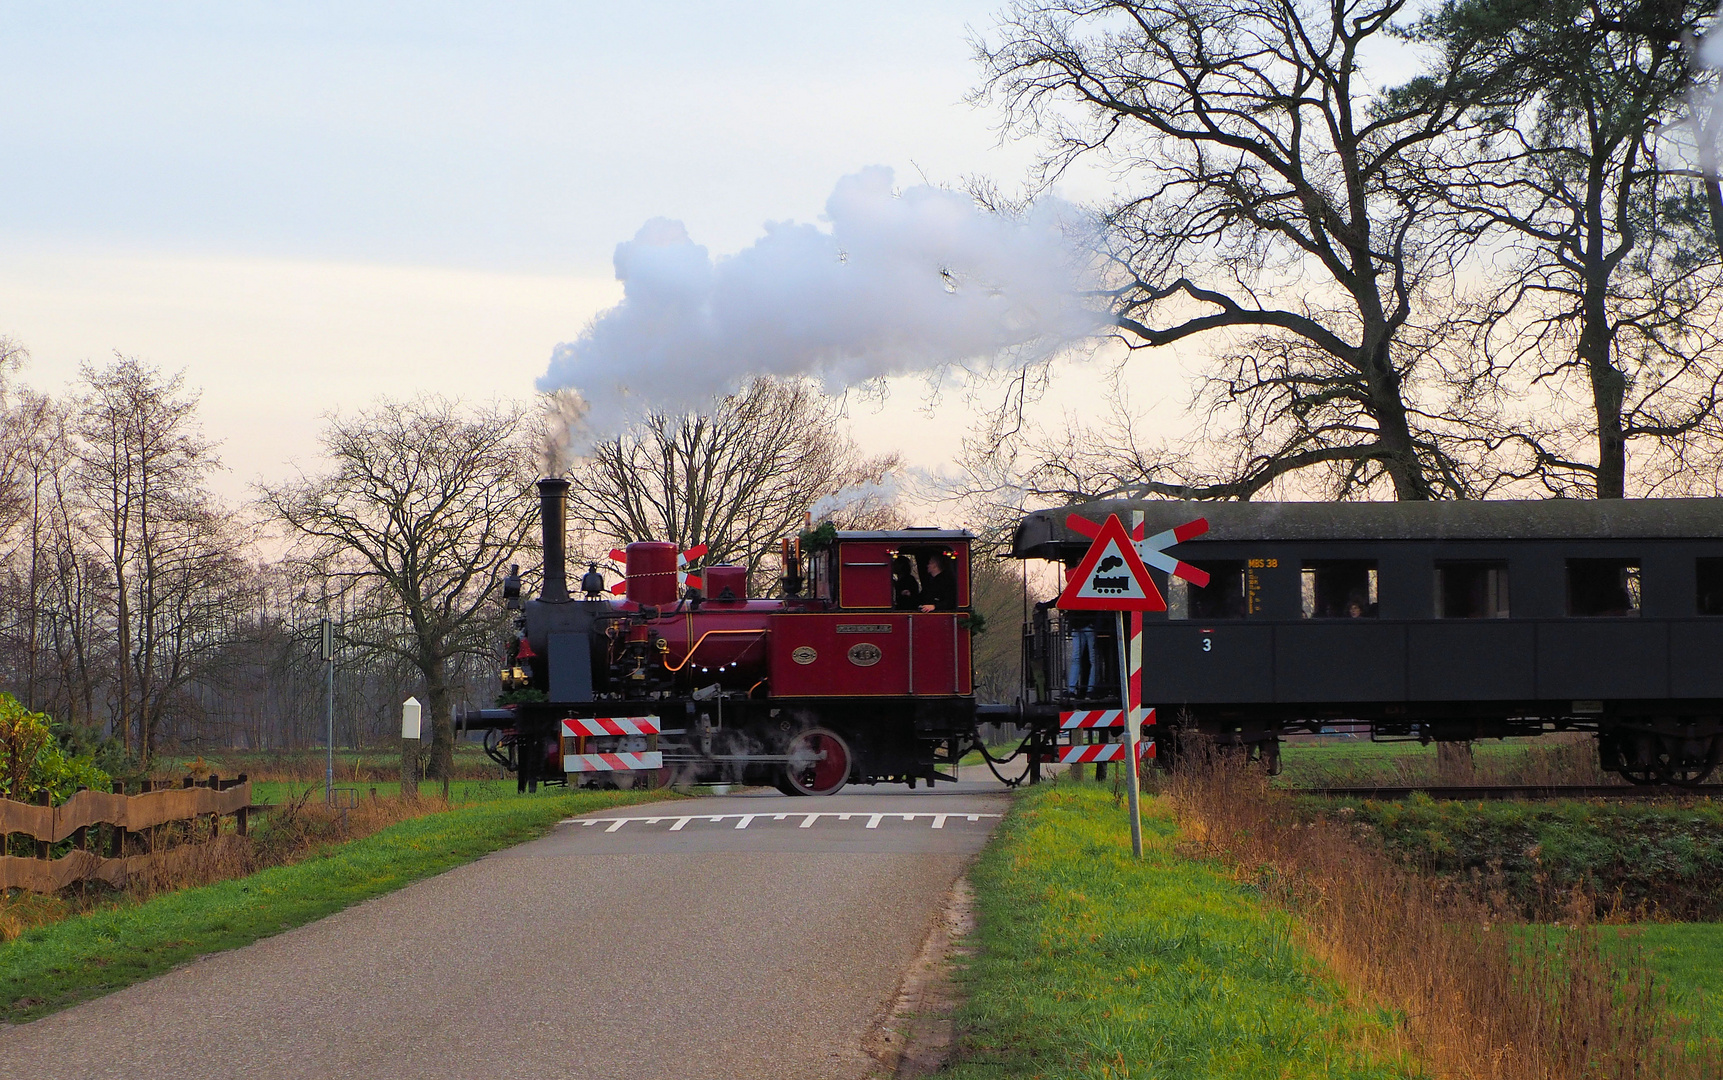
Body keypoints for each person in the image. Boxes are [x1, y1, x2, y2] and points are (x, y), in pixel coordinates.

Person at [1066, 610, 1101, 698]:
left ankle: (1071, 689)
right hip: (1088, 626)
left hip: (1076, 625)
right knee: (1093, 660)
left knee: (1076, 658)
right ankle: (1090, 689)